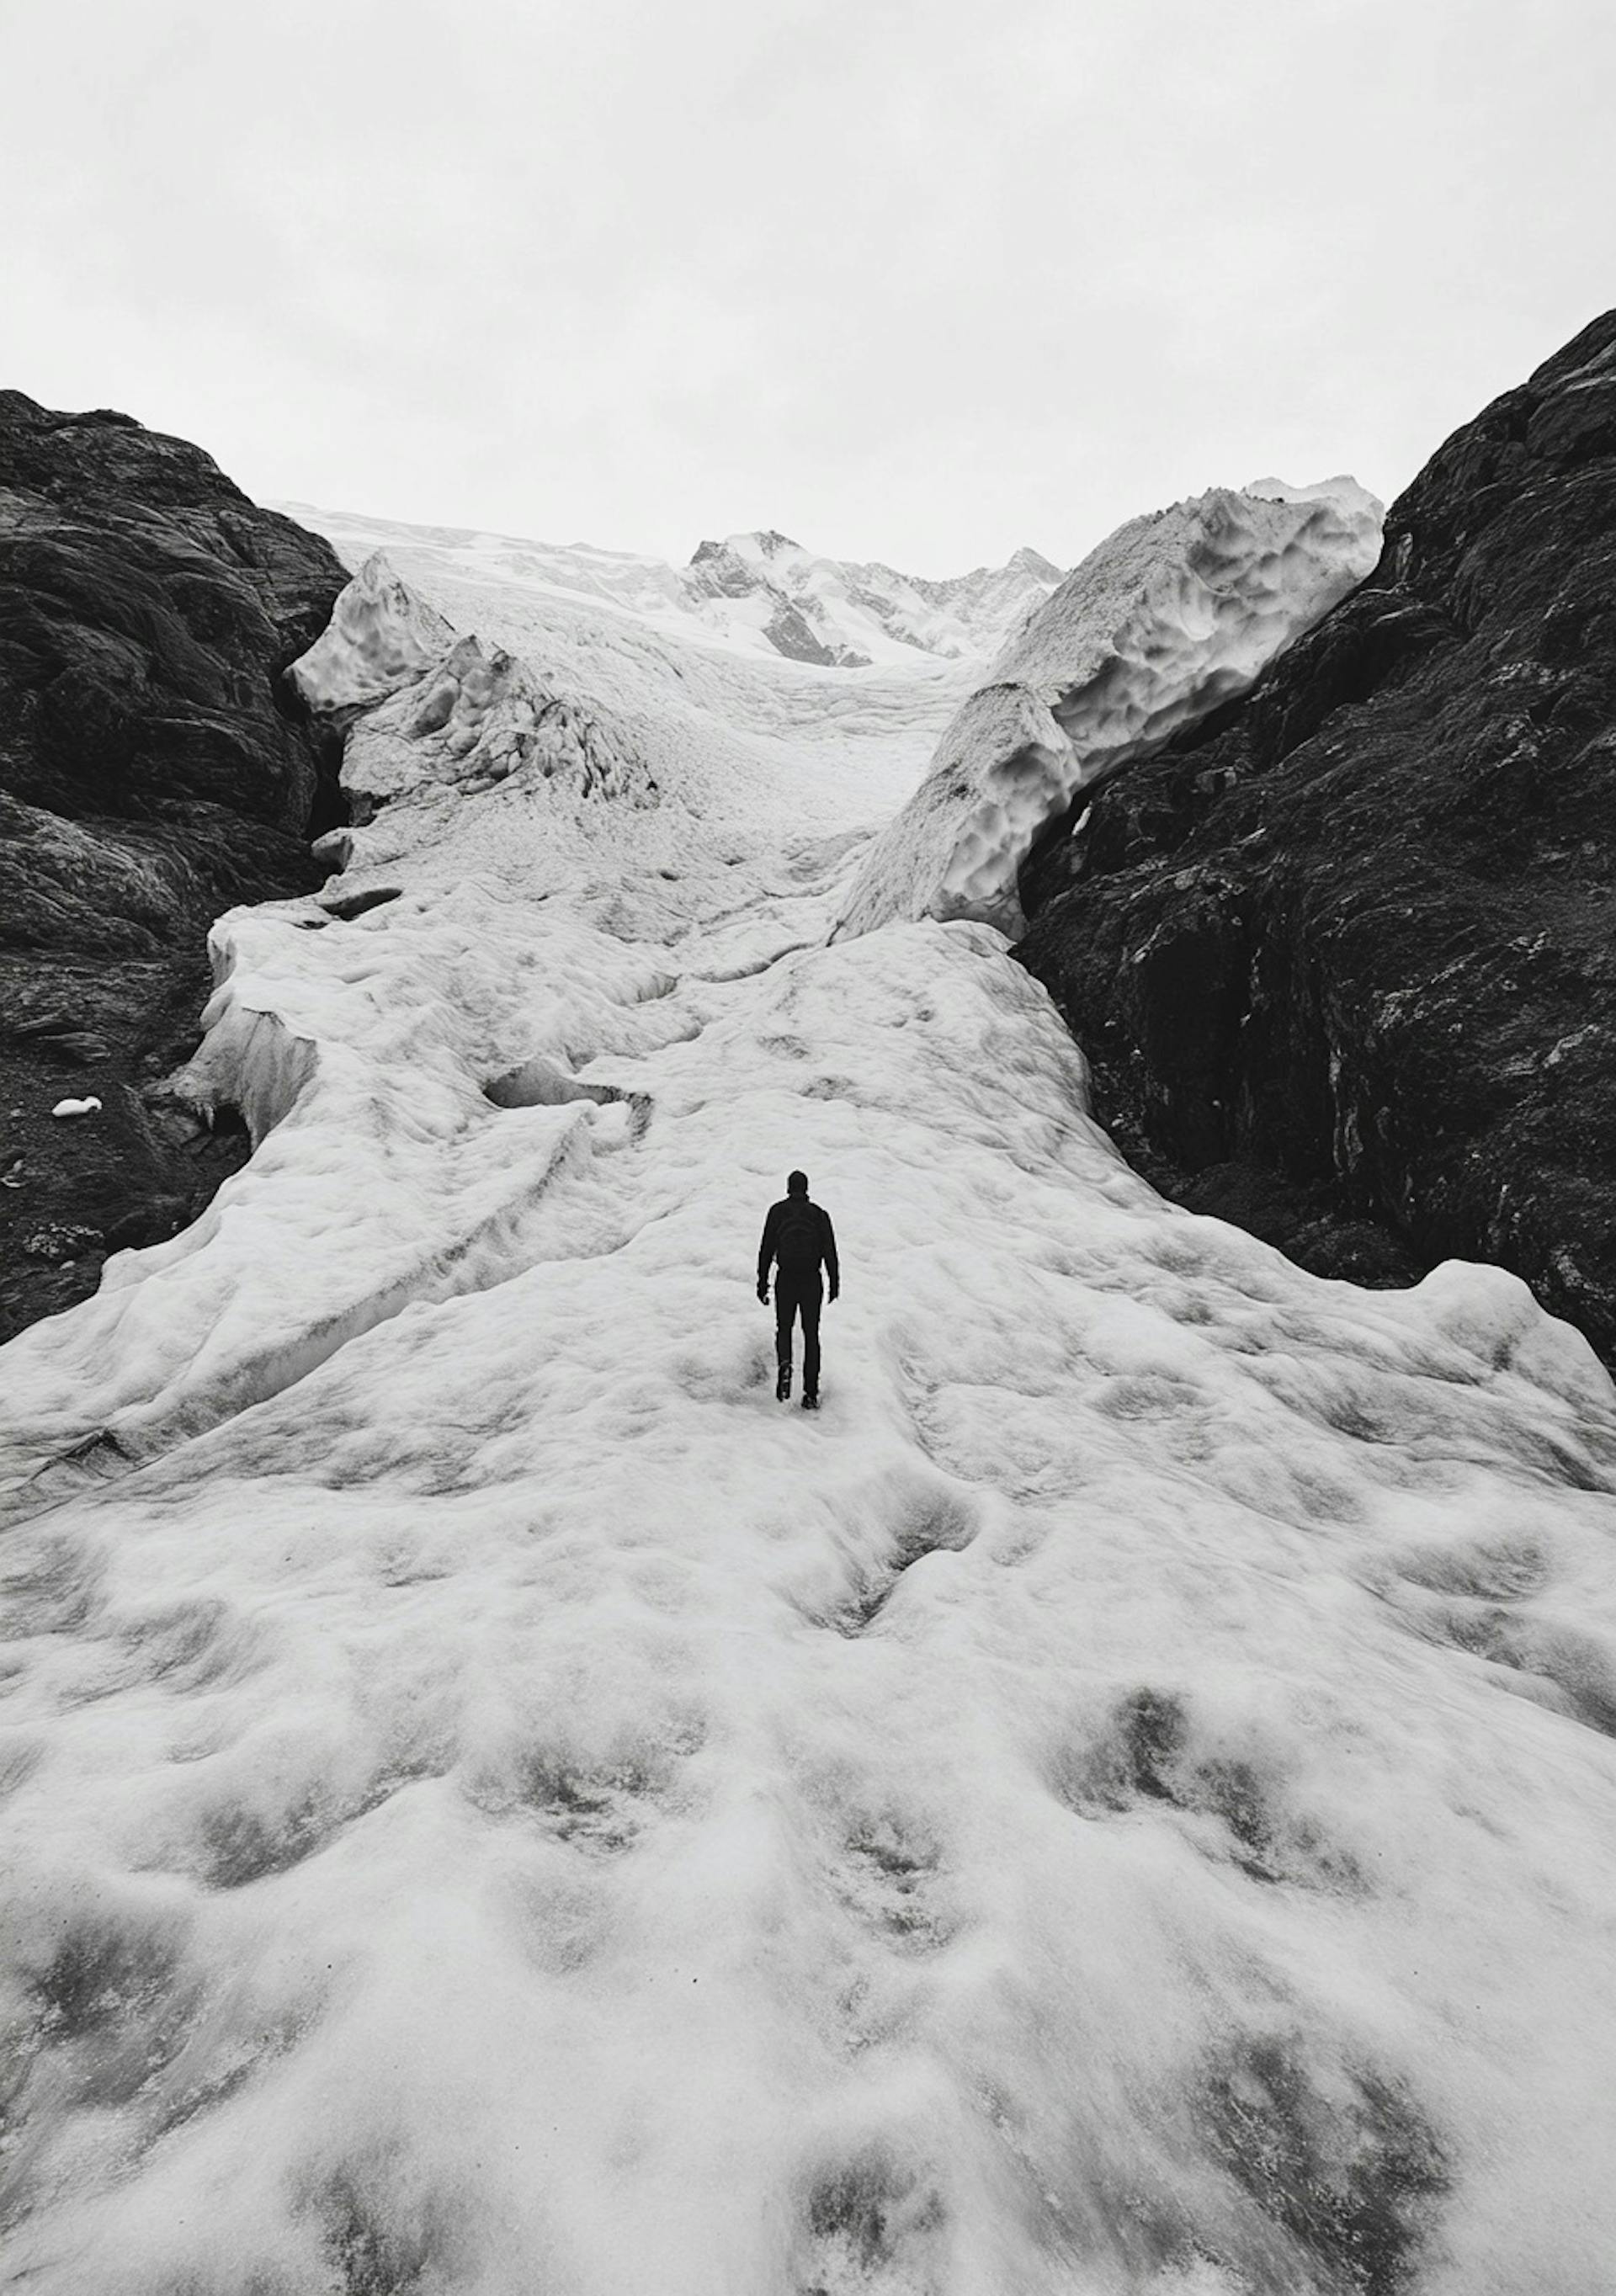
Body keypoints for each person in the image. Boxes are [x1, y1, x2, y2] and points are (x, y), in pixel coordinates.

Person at [757, 1169, 839, 1409]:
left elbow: (766, 1249)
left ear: (788, 1188)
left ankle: (785, 1365)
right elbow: (830, 1252)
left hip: (786, 1279)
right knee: (811, 1334)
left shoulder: (777, 1212)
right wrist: (835, 1283)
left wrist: (763, 1282)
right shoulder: (819, 1215)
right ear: (806, 1189)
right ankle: (810, 1393)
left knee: (784, 1328)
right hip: (812, 1280)